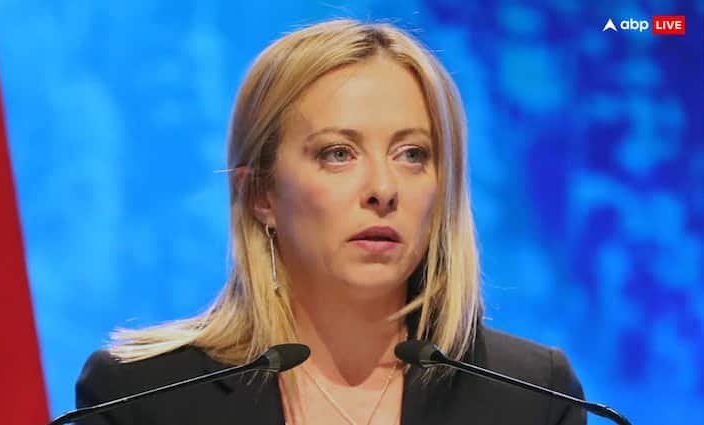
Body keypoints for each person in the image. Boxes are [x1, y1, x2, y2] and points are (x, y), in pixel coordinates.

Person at [75, 19, 585, 425]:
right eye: (338, 153)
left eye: (412, 154)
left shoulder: (533, 396)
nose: (383, 188)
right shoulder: (141, 397)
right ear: (260, 193)